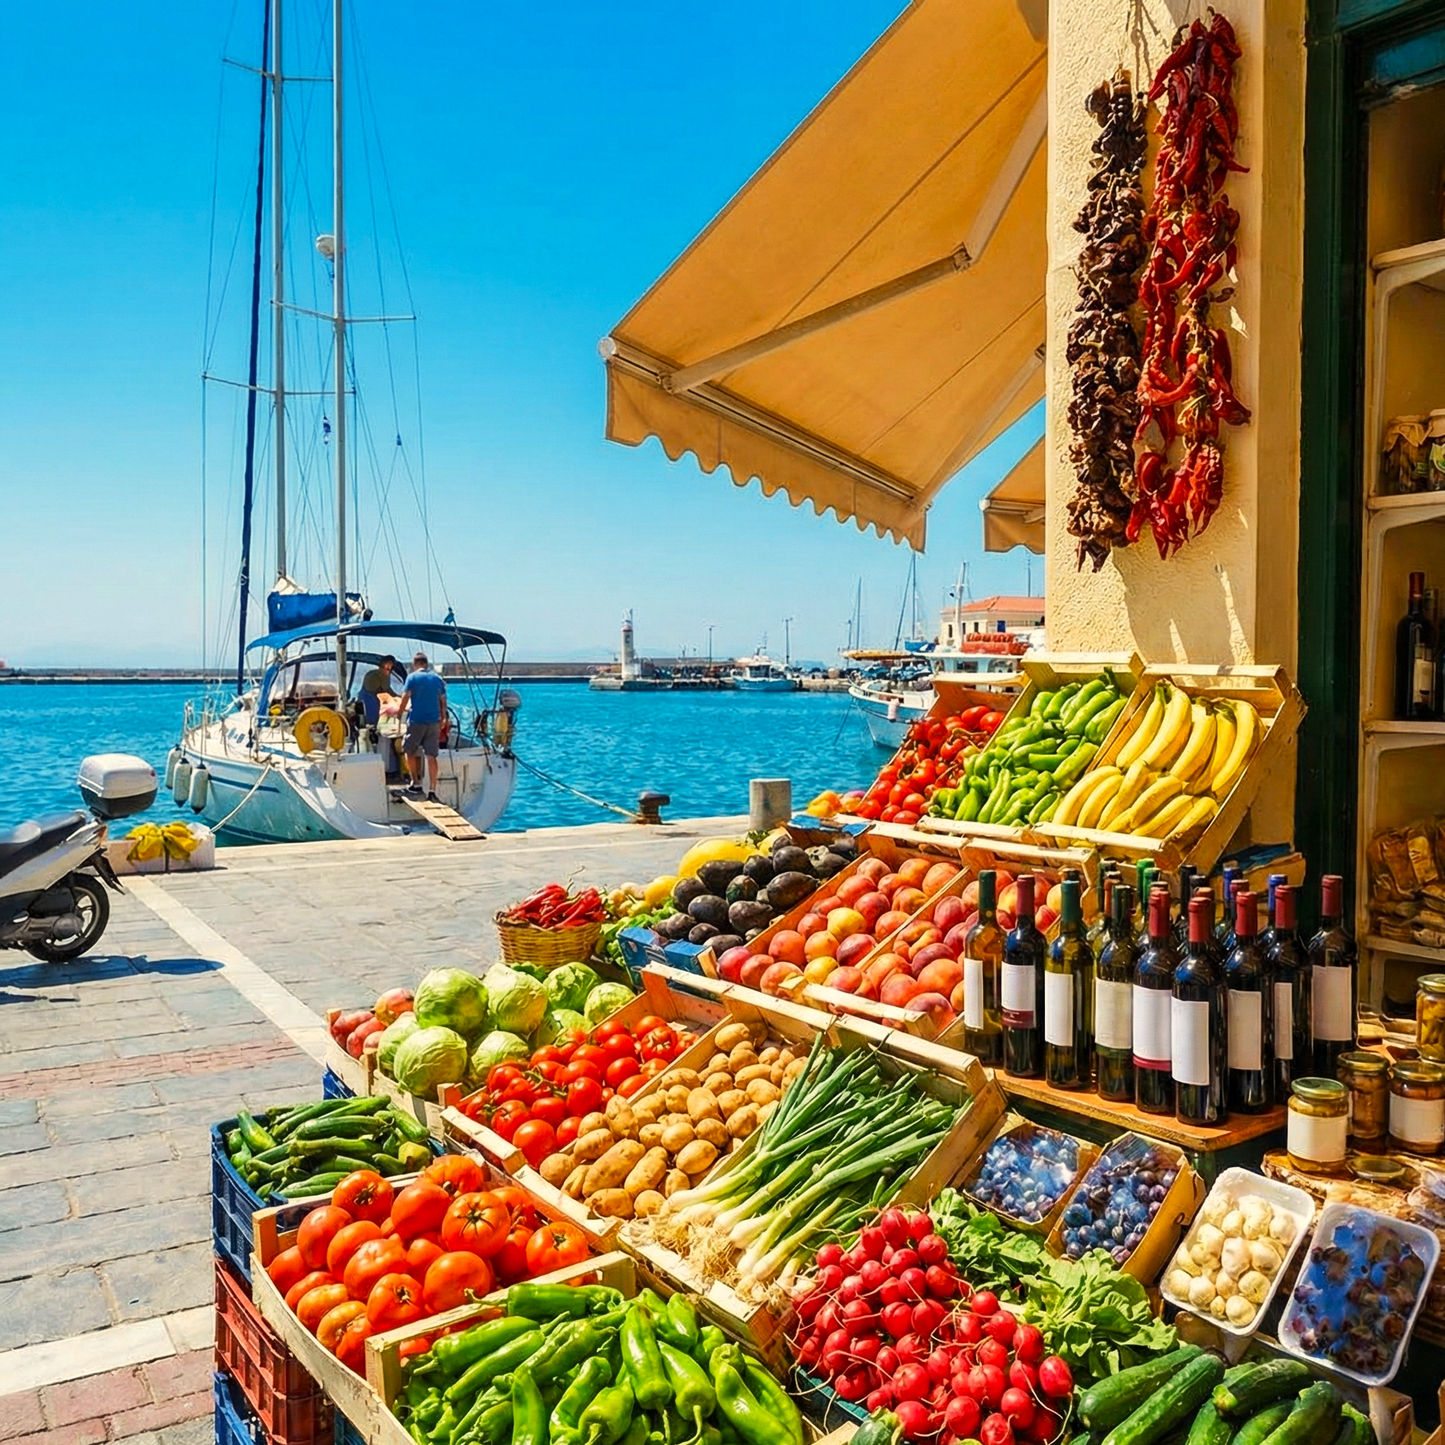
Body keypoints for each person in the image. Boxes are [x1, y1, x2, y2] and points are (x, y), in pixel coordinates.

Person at [399, 651, 447, 800]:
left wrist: (399, 714)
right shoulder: (437, 679)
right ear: (426, 664)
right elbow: (443, 701)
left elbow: (405, 698)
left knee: (409, 750)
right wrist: (443, 718)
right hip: (434, 722)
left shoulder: (412, 678)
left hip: (416, 721)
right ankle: (432, 790)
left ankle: (416, 783)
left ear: (415, 664)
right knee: (431, 755)